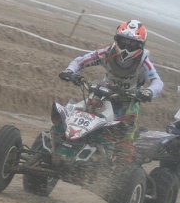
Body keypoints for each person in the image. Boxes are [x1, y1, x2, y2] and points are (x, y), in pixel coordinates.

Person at [58, 19, 164, 150]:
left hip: (129, 100)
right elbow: (80, 61)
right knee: (75, 111)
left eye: (132, 44)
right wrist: (70, 71)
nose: (126, 47)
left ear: (141, 46)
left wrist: (148, 92)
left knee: (126, 135)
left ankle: (119, 166)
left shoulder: (143, 61)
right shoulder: (106, 52)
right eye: (123, 41)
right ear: (116, 39)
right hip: (104, 93)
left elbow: (157, 81)